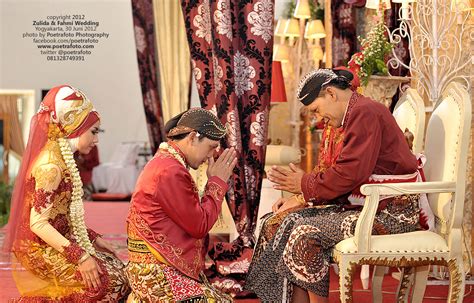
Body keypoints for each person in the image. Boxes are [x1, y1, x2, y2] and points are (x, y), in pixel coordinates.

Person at [246, 68, 423, 303]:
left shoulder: (365, 112)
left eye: (317, 110)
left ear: (331, 93)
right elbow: (344, 172)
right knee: (282, 221)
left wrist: (304, 185)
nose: (318, 118)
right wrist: (302, 194)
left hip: (391, 214)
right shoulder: (355, 114)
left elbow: (349, 173)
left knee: (304, 233)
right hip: (371, 205)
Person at [3, 85, 130, 301]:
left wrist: (93, 238)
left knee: (119, 268)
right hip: (38, 248)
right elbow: (39, 224)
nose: (96, 140)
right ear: (75, 127)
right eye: (94, 132)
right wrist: (80, 257)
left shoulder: (63, 159)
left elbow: (62, 215)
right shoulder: (51, 166)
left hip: (58, 239)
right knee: (109, 282)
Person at [126, 108, 237, 302]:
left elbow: (192, 215)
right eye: (211, 147)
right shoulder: (170, 171)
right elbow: (199, 225)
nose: (211, 155)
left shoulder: (168, 163)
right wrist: (217, 183)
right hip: (157, 272)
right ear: (193, 138)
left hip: (157, 264)